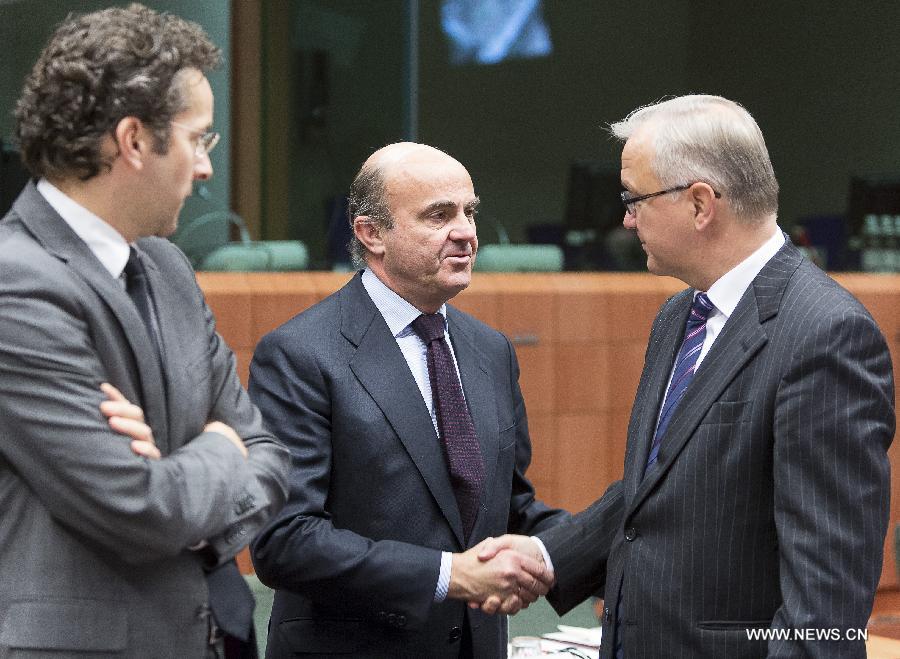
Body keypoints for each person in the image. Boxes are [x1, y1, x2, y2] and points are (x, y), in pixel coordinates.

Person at [479, 95, 895, 657]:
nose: (625, 219)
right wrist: (549, 556)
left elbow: (826, 598)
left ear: (701, 203)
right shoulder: (680, 314)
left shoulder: (824, 335)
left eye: (634, 199)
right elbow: (663, 487)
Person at [0, 5, 290, 657]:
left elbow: (270, 450)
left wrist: (189, 483)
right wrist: (219, 447)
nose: (207, 168)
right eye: (199, 139)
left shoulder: (168, 268)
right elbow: (141, 507)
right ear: (132, 141)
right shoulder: (13, 285)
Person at [249, 142, 569, 658]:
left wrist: (595, 557)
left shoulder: (490, 350)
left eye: (470, 212)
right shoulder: (300, 354)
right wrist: (449, 575)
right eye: (439, 215)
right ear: (370, 233)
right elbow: (285, 540)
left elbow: (507, 508)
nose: (466, 231)